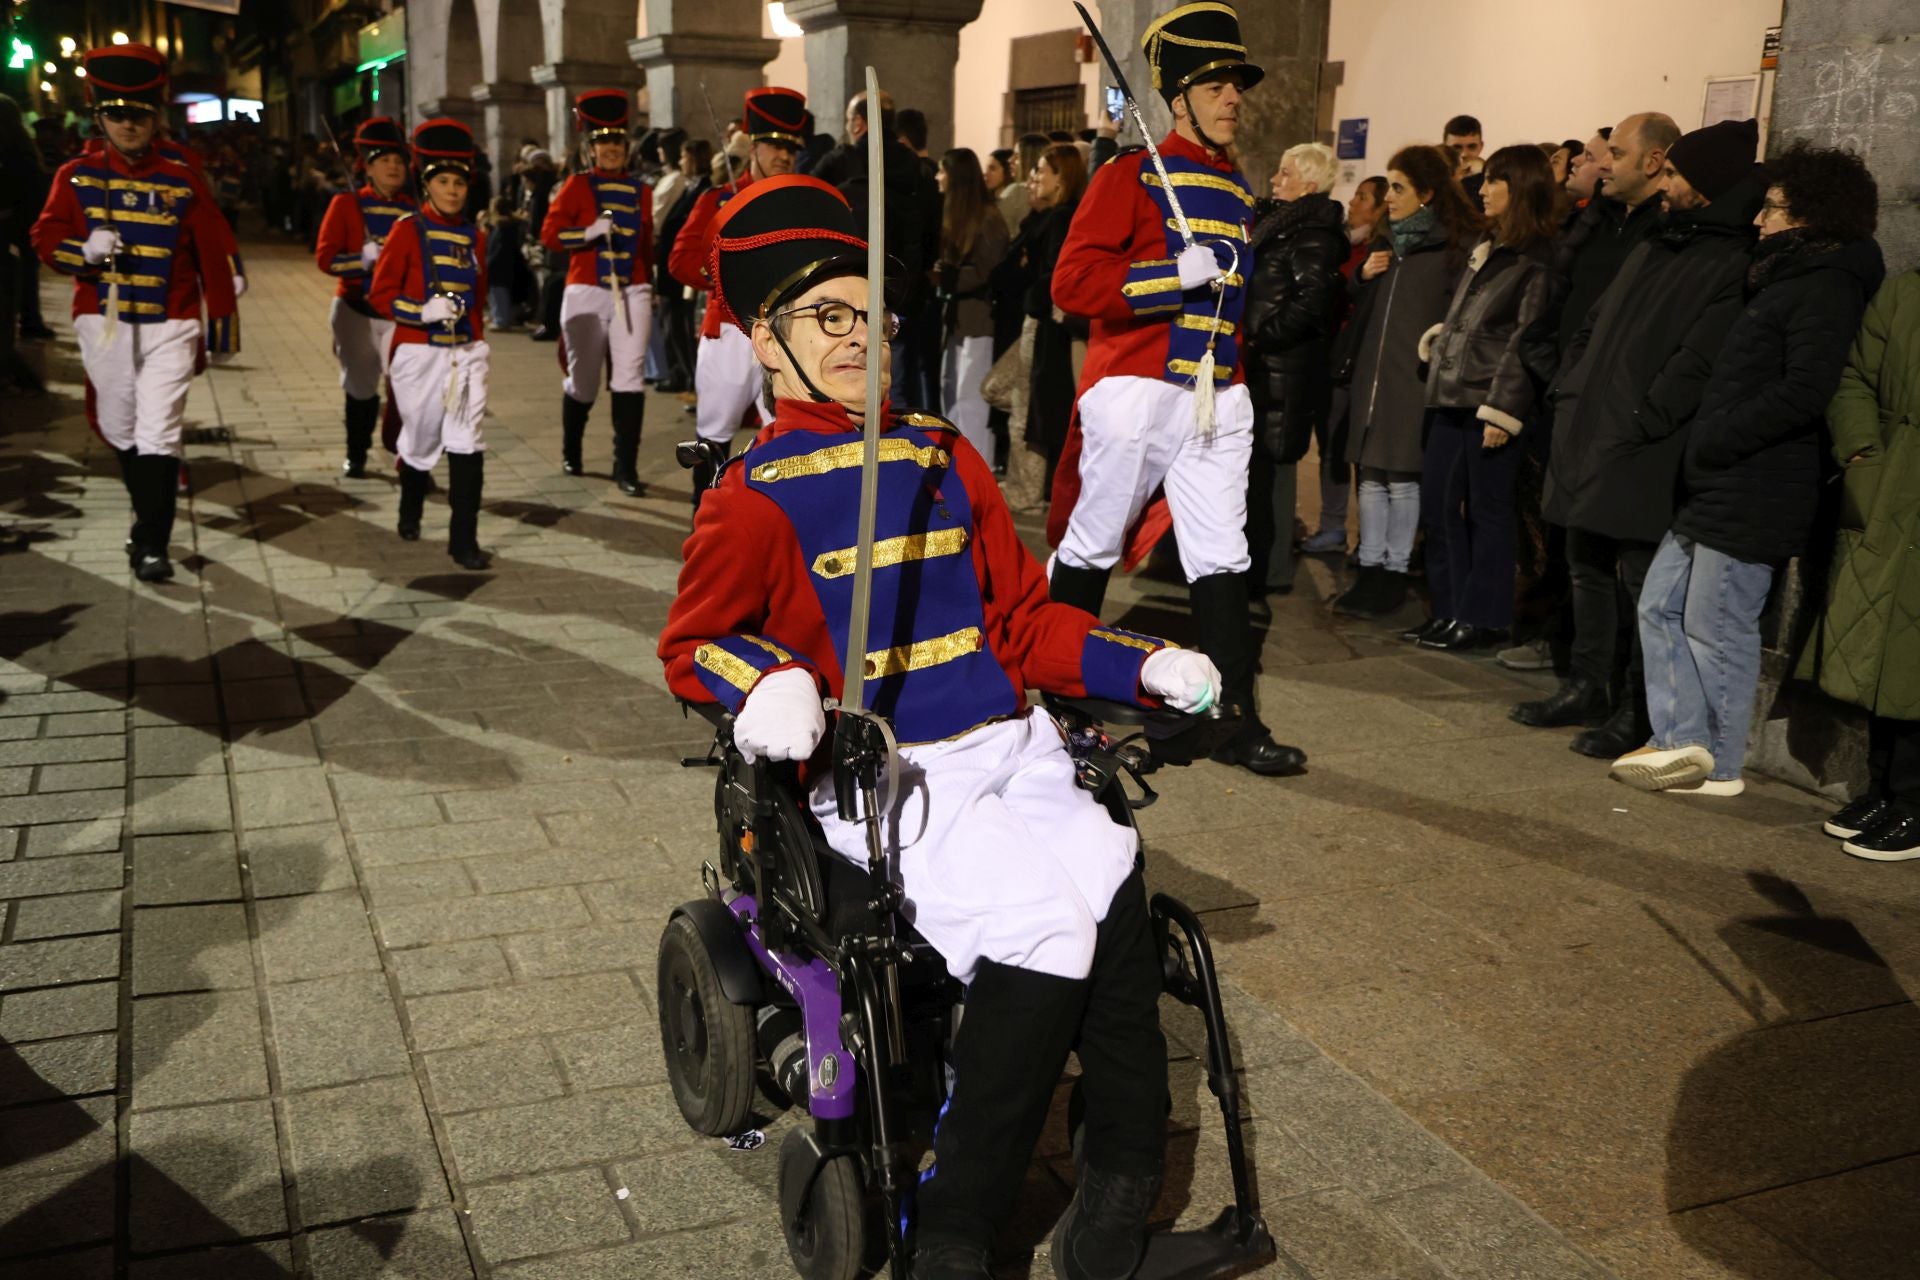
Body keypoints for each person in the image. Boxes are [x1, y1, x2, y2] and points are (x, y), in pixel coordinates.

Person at [657, 171, 1213, 1280]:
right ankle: (956, 1222)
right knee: (1055, 932)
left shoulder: (944, 454)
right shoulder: (753, 494)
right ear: (766, 341)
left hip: (1014, 749)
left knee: (1111, 886)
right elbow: (691, 643)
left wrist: (1141, 661)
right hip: (891, 784)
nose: (860, 336)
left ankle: (1112, 1194)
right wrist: (768, 682)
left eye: (872, 314)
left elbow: (1019, 622)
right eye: (829, 316)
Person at [1047, 2, 1304, 778]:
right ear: (1180, 96)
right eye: (1218, 85)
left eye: (1237, 87)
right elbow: (1072, 281)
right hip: (1138, 391)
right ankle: (1054, 695)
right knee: (1091, 543)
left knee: (1224, 557)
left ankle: (1233, 717)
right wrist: (1169, 278)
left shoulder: (1235, 183)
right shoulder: (1129, 175)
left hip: (1216, 396)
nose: (1235, 99)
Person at [1611, 144, 1883, 797]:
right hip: (1722, 477)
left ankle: (1722, 762)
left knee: (1717, 623)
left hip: (1758, 481)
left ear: (1812, 215)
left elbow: (1804, 389)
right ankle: (1682, 743)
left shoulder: (1827, 284)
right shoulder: (1783, 275)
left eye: (1775, 207)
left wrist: (1718, 437)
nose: (1759, 218)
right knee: (1659, 605)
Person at [1520, 117, 1765, 761]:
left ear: (1707, 185)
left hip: (1641, 441)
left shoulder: (1730, 256)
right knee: (1586, 564)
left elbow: (1696, 360)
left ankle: (1637, 707)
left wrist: (1644, 421)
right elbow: (1595, 321)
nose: (1668, 184)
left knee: (1637, 581)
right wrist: (1570, 390)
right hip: (1593, 425)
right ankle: (1586, 685)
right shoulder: (1662, 239)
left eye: (1680, 174)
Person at [30, 42, 240, 584]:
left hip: (171, 320)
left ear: (155, 117)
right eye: (116, 114)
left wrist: (220, 321)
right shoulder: (74, 176)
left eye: (138, 115)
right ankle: (147, 513)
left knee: (160, 431)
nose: (127, 125)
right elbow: (44, 236)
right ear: (99, 116)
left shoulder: (182, 177)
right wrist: (84, 253)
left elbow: (215, 249)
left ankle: (152, 544)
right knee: (119, 425)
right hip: (103, 322)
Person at [1498, 114, 1678, 679]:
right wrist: (1562, 379)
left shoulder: (1661, 235)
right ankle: (1574, 668)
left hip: (1621, 413)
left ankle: (1609, 684)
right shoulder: (1599, 225)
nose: (1601, 167)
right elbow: (1562, 312)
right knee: (1574, 551)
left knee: (1614, 561)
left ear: (1652, 162)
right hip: (1574, 403)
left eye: (1616, 155)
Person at [1408, 144, 1558, 651]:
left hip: (1489, 402)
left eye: (1497, 180)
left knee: (1490, 514)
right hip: (1453, 393)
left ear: (1523, 189)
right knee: (1439, 507)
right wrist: (1442, 339)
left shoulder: (1538, 255)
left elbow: (1526, 338)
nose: (1484, 189)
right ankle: (1450, 610)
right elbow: (1471, 317)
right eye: (1486, 179)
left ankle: (1486, 618)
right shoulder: (1489, 245)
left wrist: (1504, 408)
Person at [1332, 144, 1482, 618]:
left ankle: (1394, 572)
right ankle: (1369, 567)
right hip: (1372, 379)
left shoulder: (1448, 248)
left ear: (1428, 193)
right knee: (1370, 477)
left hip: (1412, 379)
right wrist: (1360, 274)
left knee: (1402, 479)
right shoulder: (1386, 243)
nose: (1389, 197)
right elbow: (1357, 301)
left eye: (1399, 188)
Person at [1804, 256, 1920, 858]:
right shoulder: (1904, 294)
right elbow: (1855, 378)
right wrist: (1862, 455)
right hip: (1892, 489)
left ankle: (1915, 803)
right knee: (1883, 649)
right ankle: (1884, 786)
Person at [669, 87, 809, 495]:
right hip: (730, 329)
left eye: (791, 147)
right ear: (753, 147)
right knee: (713, 435)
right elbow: (680, 260)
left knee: (784, 435)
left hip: (785, 334)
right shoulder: (720, 199)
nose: (784, 156)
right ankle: (707, 520)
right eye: (774, 145)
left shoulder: (800, 203)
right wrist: (726, 274)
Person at [368, 119, 492, 571]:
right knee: (420, 438)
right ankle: (410, 507)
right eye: (443, 181)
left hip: (464, 353)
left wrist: (476, 343)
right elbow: (380, 295)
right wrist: (420, 311)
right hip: (418, 351)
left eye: (459, 182)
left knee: (466, 440)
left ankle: (464, 542)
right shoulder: (407, 229)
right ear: (427, 185)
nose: (453, 191)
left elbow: (478, 299)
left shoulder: (475, 236)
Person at [1242, 142, 1347, 602]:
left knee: (1276, 474)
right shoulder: (1280, 227)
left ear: (1308, 183)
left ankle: (1273, 568)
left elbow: (1311, 301)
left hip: (1283, 370)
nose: (1274, 181)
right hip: (1264, 368)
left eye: (1284, 174)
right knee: (1258, 473)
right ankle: (1259, 563)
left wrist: (1263, 335)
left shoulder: (1313, 234)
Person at [540, 90, 655, 495]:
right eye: (602, 142)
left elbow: (646, 245)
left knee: (629, 377)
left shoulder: (642, 191)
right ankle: (572, 448)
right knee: (584, 381)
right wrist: (587, 234)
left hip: (632, 289)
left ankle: (626, 467)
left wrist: (649, 285)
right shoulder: (576, 186)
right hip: (586, 289)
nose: (610, 149)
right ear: (591, 149)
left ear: (626, 148)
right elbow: (549, 235)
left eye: (617, 143)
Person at [312, 117, 413, 479]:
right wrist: (362, 260)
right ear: (368, 167)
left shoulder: (415, 211)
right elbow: (326, 258)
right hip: (355, 309)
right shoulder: (345, 204)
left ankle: (410, 459)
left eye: (399, 162)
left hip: (400, 314)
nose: (393, 168)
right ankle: (357, 452)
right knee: (360, 386)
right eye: (385, 161)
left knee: (408, 387)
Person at [934, 148, 1010, 463]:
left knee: (970, 395)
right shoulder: (959, 215)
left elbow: (988, 269)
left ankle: (976, 464)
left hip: (979, 319)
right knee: (950, 388)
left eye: (942, 171)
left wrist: (948, 277)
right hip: (958, 317)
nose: (938, 177)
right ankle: (957, 460)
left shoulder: (988, 218)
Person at [655, 138, 711, 397]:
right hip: (673, 270)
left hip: (687, 275)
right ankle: (687, 376)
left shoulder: (705, 189)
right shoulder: (690, 187)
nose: (680, 162)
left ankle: (693, 379)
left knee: (686, 327)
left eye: (684, 157)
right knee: (676, 325)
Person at [0, 95, 53, 342]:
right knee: (24, 273)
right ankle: (29, 320)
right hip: (21, 219)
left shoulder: (16, 151)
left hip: (16, 219)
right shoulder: (22, 150)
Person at [484, 195, 523, 331]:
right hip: (504, 265)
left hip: (499, 266)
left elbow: (498, 249)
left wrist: (488, 263)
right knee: (498, 293)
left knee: (498, 293)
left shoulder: (502, 228)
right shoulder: (507, 226)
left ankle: (501, 320)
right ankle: (498, 317)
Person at [1445, 113, 1486, 200]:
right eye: (1456, 148)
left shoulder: (1490, 180)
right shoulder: (1433, 180)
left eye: (1471, 147)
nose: (1464, 154)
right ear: (1445, 147)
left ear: (1481, 146)